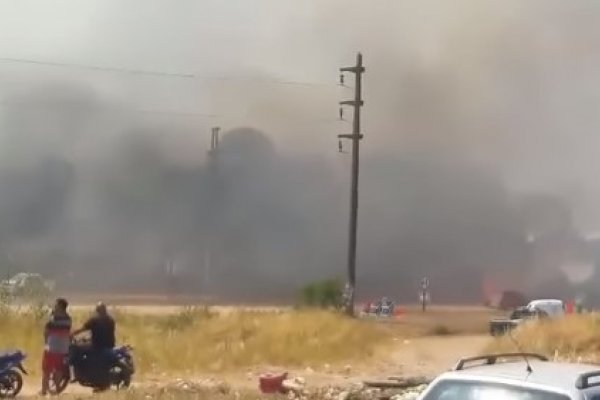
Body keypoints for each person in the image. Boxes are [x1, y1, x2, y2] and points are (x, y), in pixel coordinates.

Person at [71, 302, 116, 391]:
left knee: (78, 349)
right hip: (109, 345)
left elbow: (83, 329)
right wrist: (89, 339)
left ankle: (80, 372)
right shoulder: (110, 320)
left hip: (97, 346)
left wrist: (72, 333)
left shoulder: (95, 320)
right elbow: (104, 333)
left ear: (97, 310)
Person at [41, 298, 72, 396]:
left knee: (46, 370)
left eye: (56, 305)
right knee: (59, 369)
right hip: (63, 348)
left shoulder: (53, 318)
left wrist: (45, 342)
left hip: (52, 347)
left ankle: (43, 391)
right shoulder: (68, 319)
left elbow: (46, 331)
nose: (54, 306)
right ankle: (57, 389)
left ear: (60, 307)